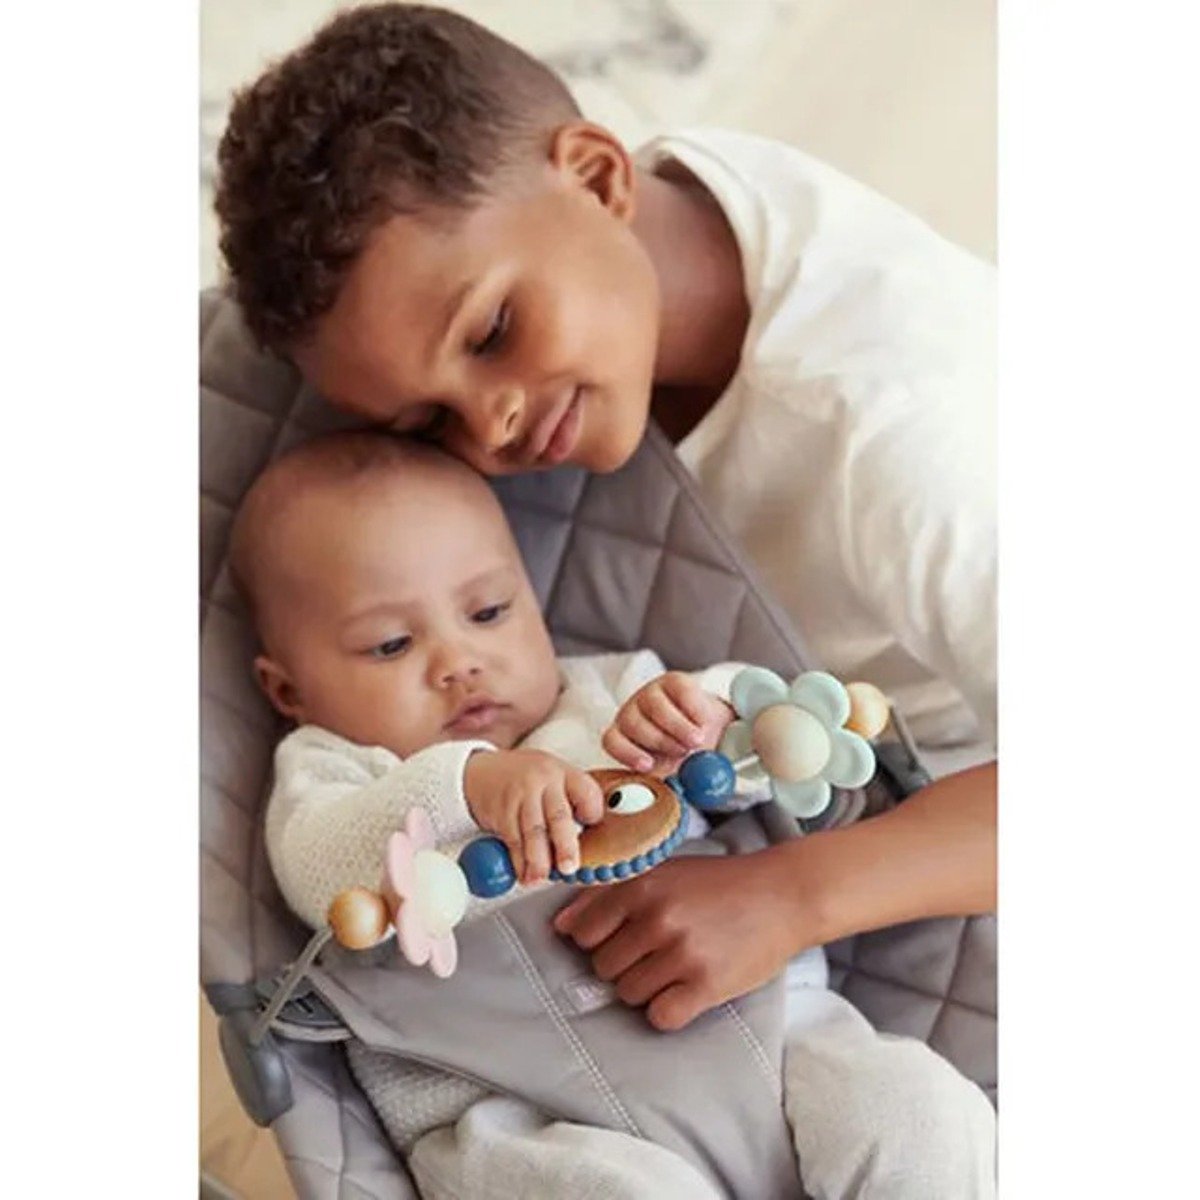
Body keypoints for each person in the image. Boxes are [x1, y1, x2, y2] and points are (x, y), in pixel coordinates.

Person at [215, 3, 997, 1191]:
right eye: (427, 421)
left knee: (915, 1116)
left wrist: (786, 892)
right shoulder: (629, 224)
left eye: (491, 332)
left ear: (595, 174)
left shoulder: (911, 445)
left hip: (947, 827)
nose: (492, 429)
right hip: (547, 1099)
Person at [230, 429, 994, 1199]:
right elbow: (316, 866)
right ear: (288, 690)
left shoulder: (613, 696)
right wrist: (468, 786)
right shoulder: (333, 767)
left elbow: (764, 755)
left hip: (774, 1034)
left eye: (488, 612)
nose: (459, 662)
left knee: (918, 1107)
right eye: (392, 645)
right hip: (517, 1108)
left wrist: (710, 720)